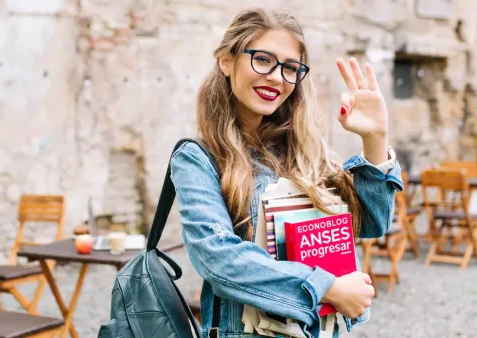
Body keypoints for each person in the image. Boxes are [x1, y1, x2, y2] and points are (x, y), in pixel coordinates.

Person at [170, 8, 403, 338]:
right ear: (226, 60)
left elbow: (370, 224)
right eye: (263, 60)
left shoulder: (304, 152)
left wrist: (375, 138)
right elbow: (217, 258)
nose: (277, 77)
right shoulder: (199, 157)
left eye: (290, 68)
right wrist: (326, 288)